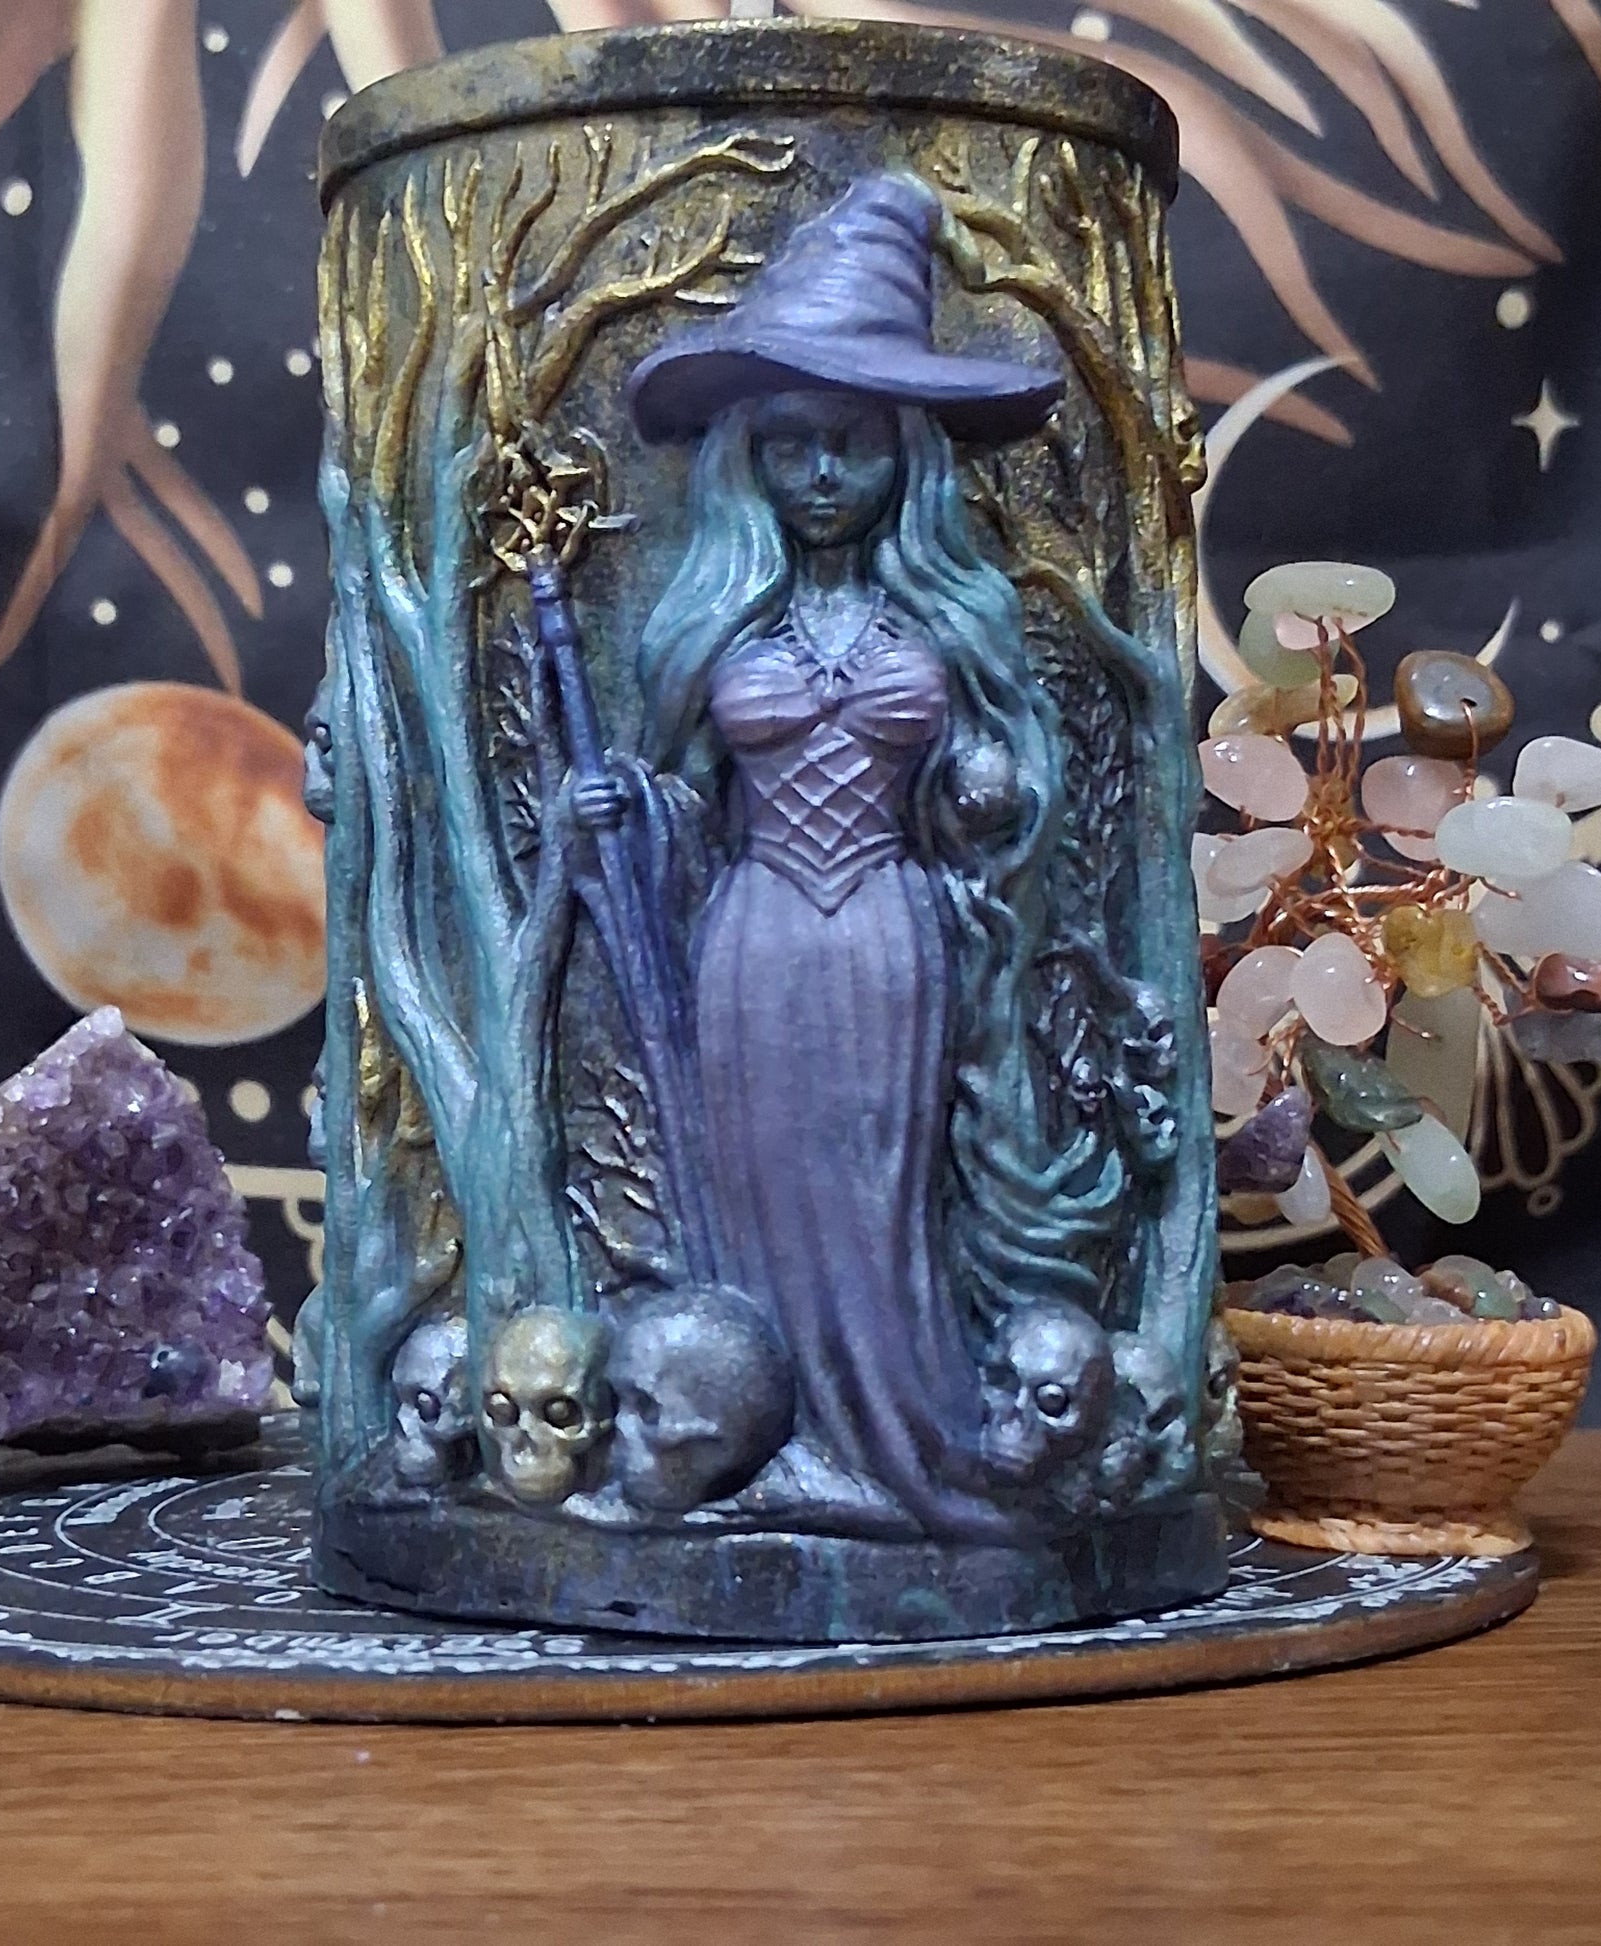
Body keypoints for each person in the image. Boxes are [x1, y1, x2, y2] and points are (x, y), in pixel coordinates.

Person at [575, 173, 1069, 1541]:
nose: (822, 476)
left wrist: (985, 790)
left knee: (878, 1191)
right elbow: (679, 799)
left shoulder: (948, 620)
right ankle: (780, 1439)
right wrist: (623, 812)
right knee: (766, 1192)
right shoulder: (716, 622)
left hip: (889, 933)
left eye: (851, 443)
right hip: (757, 934)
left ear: (904, 451)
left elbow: (1012, 787)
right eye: (790, 446)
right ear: (750, 456)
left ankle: (899, 1441)